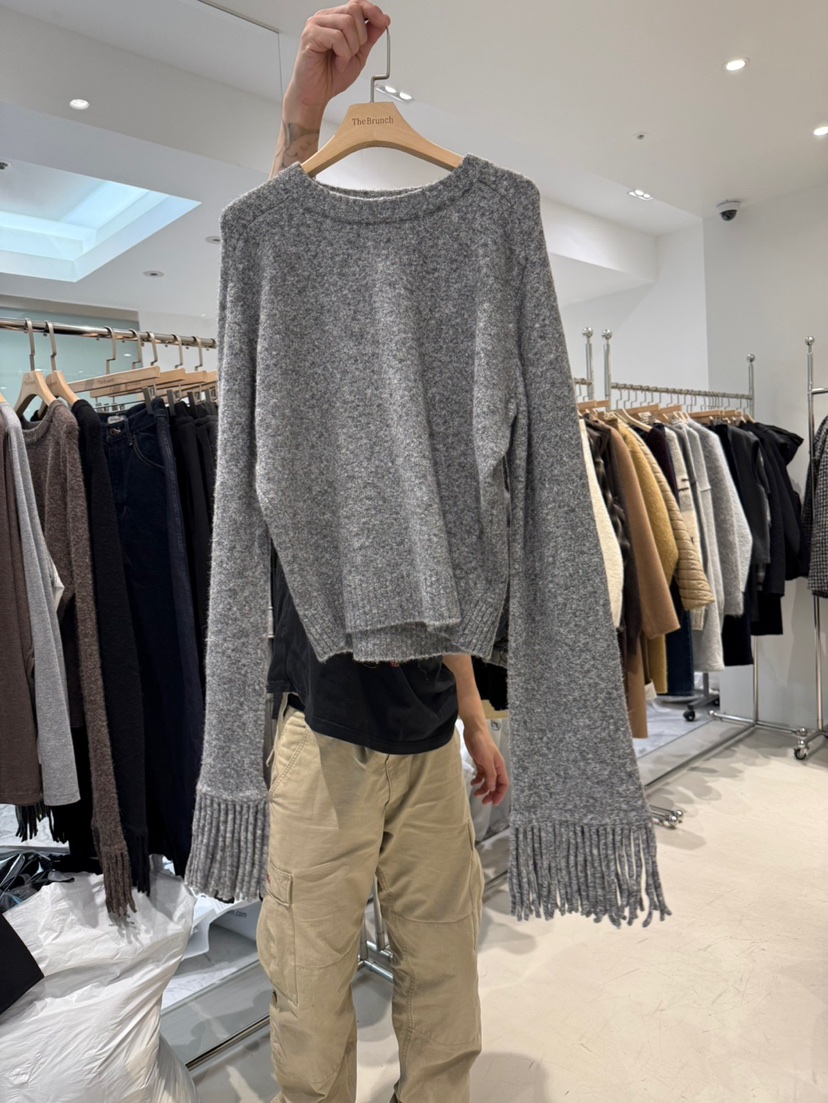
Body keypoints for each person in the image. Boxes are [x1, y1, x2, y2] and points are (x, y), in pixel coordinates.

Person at [258, 5, 510, 1102]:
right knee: (309, 983)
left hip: (428, 734)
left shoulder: (435, 409)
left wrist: (475, 711)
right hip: (323, 736)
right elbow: (275, 276)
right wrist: (302, 119)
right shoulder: (302, 390)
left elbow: (445, 574)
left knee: (446, 968)